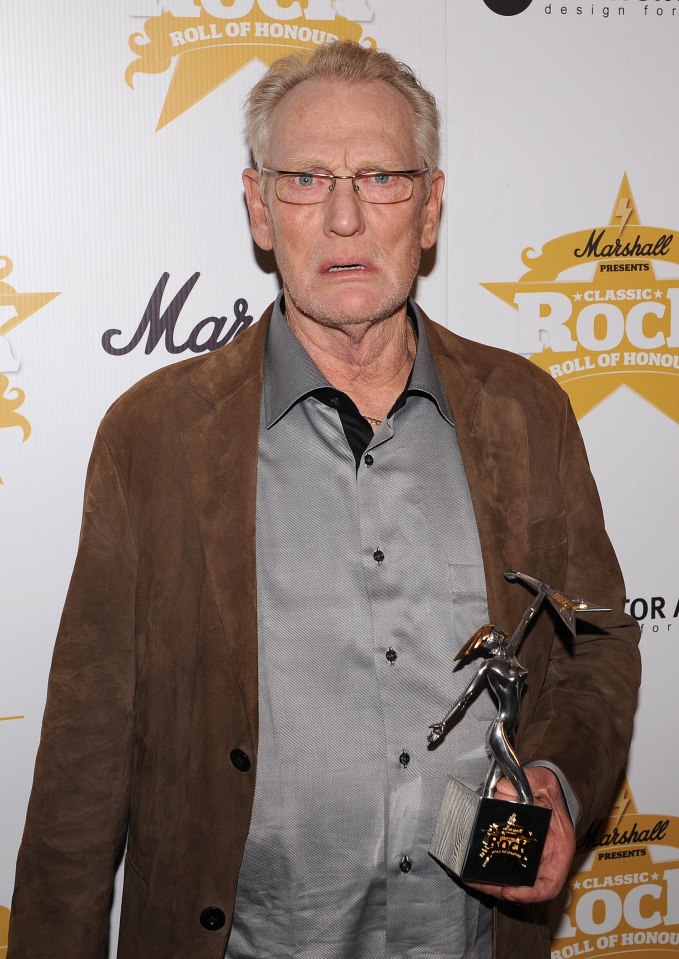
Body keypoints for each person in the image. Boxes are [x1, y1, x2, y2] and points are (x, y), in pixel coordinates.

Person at [8, 40, 640, 959]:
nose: (344, 217)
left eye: (379, 176)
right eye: (304, 179)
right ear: (261, 209)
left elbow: (597, 640)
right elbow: (84, 756)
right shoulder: (153, 438)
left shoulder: (524, 411)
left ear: (427, 208)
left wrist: (555, 775)